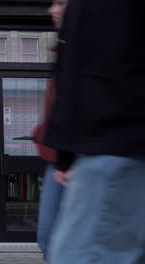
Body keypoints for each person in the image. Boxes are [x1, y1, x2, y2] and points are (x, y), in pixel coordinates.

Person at [44, 0, 145, 263]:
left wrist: (64, 151)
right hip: (108, 142)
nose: (52, 10)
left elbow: (86, 75)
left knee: (82, 253)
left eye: (60, 3)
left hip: (114, 142)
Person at [33, 0, 67, 260]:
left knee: (59, 242)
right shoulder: (66, 48)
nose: (52, 10)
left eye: (62, 3)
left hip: (77, 159)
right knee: (50, 240)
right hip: (61, 159)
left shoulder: (94, 47)